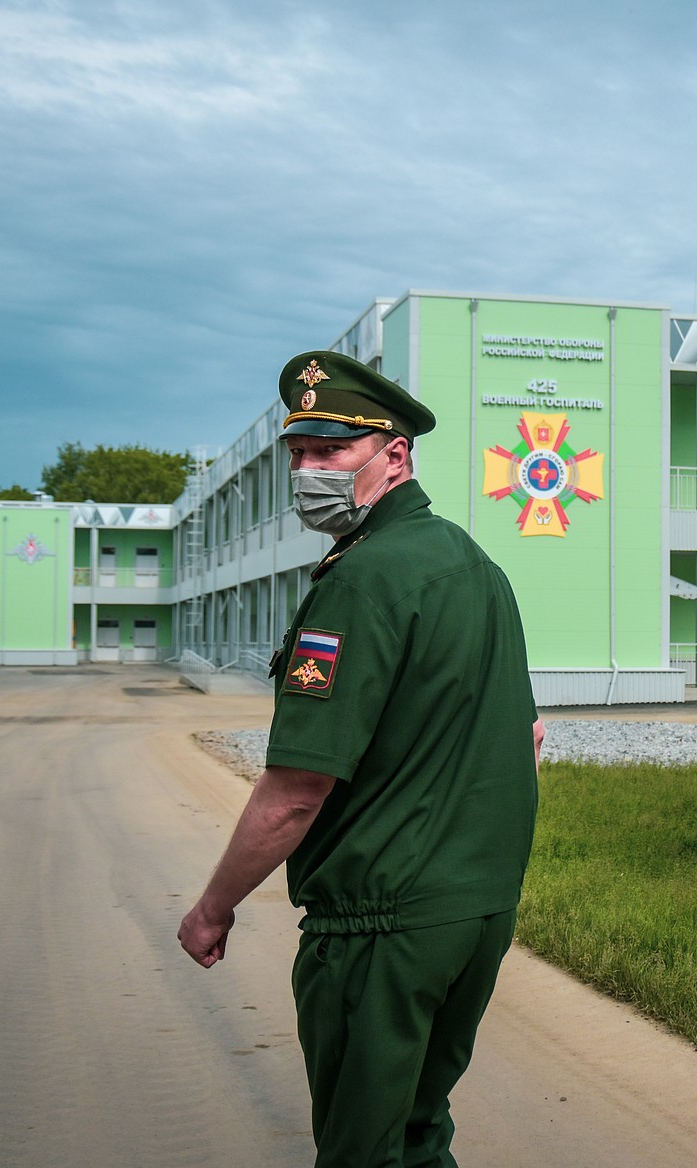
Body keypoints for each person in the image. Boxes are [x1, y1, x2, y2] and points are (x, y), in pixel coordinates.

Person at [178, 350, 543, 1168]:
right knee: (416, 1133)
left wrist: (213, 906)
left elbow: (297, 790)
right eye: (299, 454)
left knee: (361, 1150)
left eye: (332, 451)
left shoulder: (363, 579)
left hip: (382, 924)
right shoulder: (474, 568)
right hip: (475, 912)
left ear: (394, 455)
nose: (309, 470)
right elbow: (527, 737)